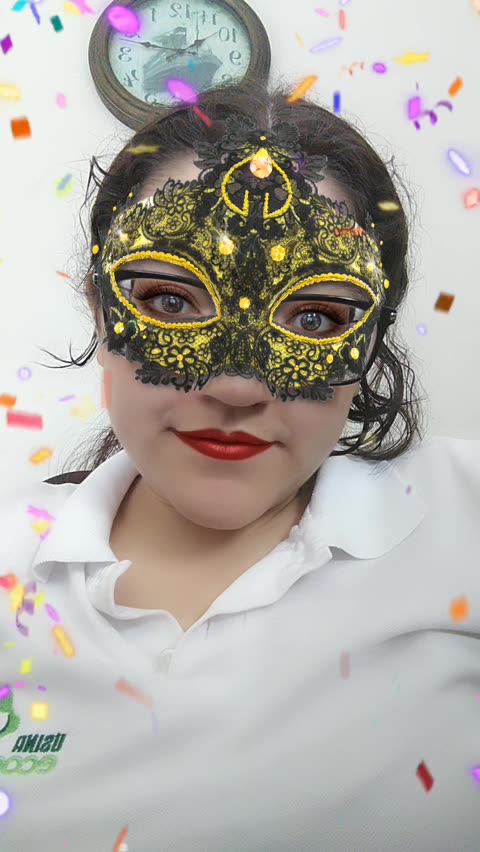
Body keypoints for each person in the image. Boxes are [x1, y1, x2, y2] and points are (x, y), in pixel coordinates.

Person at [0, 80, 478, 852]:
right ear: (98, 307)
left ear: (371, 340)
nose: (236, 387)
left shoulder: (464, 517)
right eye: (171, 301)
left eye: (315, 316)